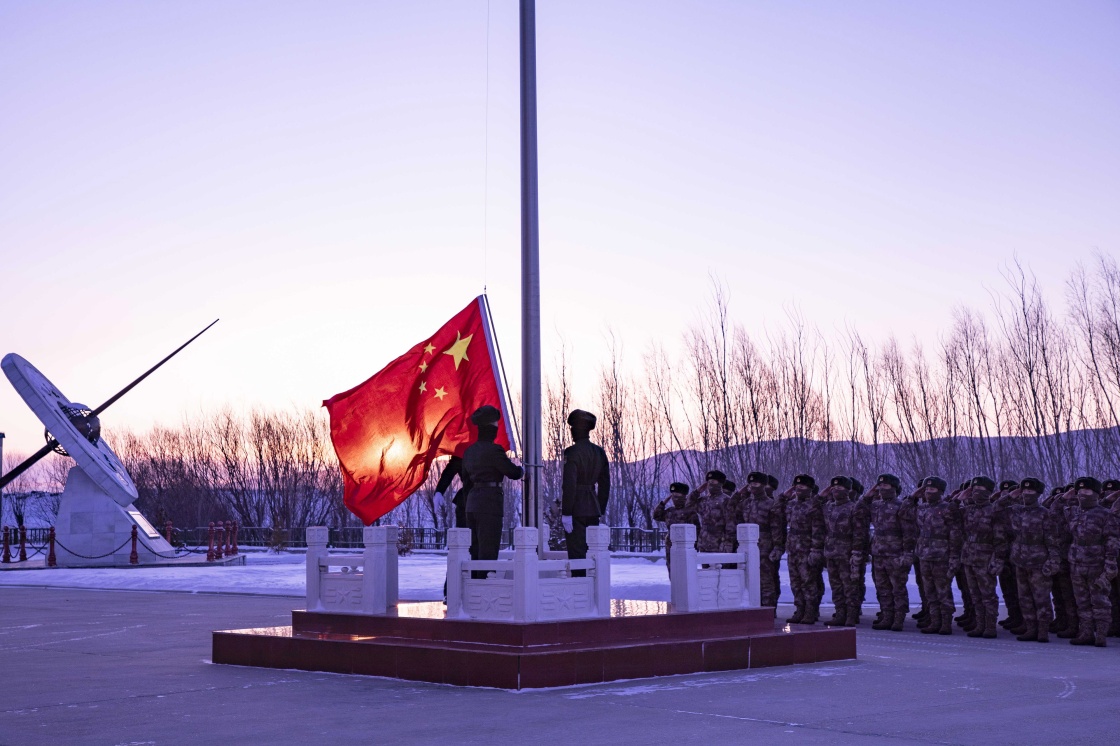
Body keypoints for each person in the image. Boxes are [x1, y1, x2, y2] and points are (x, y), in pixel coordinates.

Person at [462, 405, 523, 578]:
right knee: (489, 549)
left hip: (472, 504)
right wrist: (522, 470)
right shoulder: (495, 450)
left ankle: (474, 586)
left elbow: (466, 482)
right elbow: (512, 472)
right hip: (490, 504)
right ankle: (485, 589)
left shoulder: (469, 452)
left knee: (475, 549)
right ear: (492, 428)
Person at [1004, 478, 1060, 643]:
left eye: (1031, 492)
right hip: (1020, 561)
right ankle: (1030, 628)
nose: (1027, 494)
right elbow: (996, 508)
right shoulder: (1016, 510)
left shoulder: (1045, 514)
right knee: (1024, 598)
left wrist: (1053, 561)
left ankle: (1043, 630)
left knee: (1041, 597)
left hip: (1039, 562)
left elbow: (1052, 541)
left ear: (1038, 494)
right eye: (1024, 491)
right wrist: (1011, 495)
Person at [1066, 477, 1120, 647]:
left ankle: (1101, 634)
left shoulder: (1105, 514)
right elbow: (1054, 510)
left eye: (1087, 491)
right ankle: (1086, 633)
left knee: (1100, 600)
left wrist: (1110, 564)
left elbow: (1112, 540)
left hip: (1096, 564)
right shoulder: (1073, 512)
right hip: (1076, 562)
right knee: (1081, 601)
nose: (1082, 494)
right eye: (1080, 491)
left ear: (1096, 494)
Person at [561, 409, 610, 577]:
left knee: (577, 553)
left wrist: (566, 512)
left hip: (576, 509)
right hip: (592, 508)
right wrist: (600, 508)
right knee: (593, 552)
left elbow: (569, 485)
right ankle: (593, 591)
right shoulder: (599, 452)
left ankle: (579, 589)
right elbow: (605, 484)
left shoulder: (572, 452)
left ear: (575, 429)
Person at [868, 474, 918, 632]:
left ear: (894, 488)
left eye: (886, 486)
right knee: (882, 588)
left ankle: (898, 618)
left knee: (897, 588)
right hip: (879, 553)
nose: (882, 489)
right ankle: (887, 616)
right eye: (880, 486)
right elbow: (858, 510)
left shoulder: (902, 506)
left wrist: (907, 554)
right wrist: (867, 495)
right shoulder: (875, 505)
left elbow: (909, 533)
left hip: (896, 554)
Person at [960, 476, 1007, 638]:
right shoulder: (968, 510)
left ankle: (990, 626)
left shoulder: (994, 511)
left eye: (980, 490)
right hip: (969, 559)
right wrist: (961, 497)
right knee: (975, 594)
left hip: (985, 560)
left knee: (988, 595)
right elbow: (950, 514)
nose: (976, 493)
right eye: (974, 490)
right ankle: (979, 624)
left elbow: (1000, 540)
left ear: (988, 492)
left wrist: (997, 561)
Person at [730, 472, 786, 607]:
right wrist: (739, 493)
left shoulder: (771, 504)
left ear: (763, 485)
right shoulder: (745, 503)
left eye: (756, 484)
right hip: (747, 548)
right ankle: (755, 609)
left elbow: (777, 529)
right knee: (750, 581)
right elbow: (730, 508)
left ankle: (768, 611)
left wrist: (777, 548)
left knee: (766, 581)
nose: (752, 487)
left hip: (765, 548)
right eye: (750, 484)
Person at [915, 477, 961, 635]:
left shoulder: (948, 508)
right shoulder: (921, 508)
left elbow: (954, 535)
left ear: (940, 492)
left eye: (932, 490)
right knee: (929, 591)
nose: (928, 493)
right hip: (924, 555)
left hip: (941, 555)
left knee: (943, 591)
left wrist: (954, 557)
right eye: (926, 490)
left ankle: (946, 622)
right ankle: (934, 621)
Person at [821, 476, 869, 627]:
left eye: (840, 488)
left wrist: (857, 553)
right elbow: (816, 502)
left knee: (850, 586)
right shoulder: (829, 506)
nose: (836, 491)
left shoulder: (855, 507)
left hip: (847, 553)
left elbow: (859, 533)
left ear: (848, 491)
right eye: (834, 488)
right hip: (831, 552)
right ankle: (840, 613)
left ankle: (852, 615)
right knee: (836, 586)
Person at [785, 474, 825, 624]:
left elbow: (818, 530)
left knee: (809, 582)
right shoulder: (791, 504)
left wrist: (815, 550)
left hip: (807, 550)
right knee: (795, 583)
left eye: (803, 487)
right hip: (793, 549)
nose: (799, 489)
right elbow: (777, 510)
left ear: (810, 489)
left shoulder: (814, 506)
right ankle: (799, 609)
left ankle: (811, 611)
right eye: (797, 487)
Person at [652, 482, 697, 577]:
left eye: (677, 495)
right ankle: (675, 590)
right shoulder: (670, 511)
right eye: (673, 495)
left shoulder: (690, 511)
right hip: (670, 545)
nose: (675, 498)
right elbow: (656, 516)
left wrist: (695, 547)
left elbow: (697, 530)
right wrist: (663, 503)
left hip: (686, 547)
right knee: (672, 570)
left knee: (686, 571)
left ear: (684, 496)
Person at [432, 455, 469, 529]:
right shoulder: (462, 451)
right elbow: (449, 472)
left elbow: (449, 472)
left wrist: (439, 491)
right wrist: (439, 491)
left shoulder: (493, 451)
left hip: (487, 500)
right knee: (463, 534)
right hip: (466, 500)